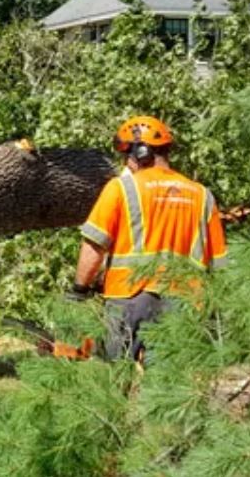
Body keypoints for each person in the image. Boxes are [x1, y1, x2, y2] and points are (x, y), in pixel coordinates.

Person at [71, 116, 227, 360]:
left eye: (126, 155)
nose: (126, 163)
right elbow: (219, 262)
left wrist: (80, 288)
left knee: (114, 383)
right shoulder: (203, 196)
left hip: (127, 297)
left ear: (140, 152)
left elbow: (93, 245)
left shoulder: (121, 187)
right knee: (169, 389)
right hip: (185, 303)